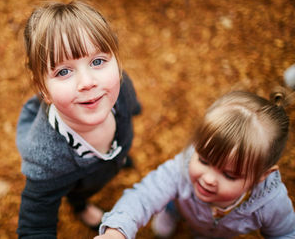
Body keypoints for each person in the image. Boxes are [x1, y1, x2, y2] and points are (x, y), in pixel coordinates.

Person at [16, 0, 141, 238]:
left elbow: (132, 105)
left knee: (117, 157)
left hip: (112, 155)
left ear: (116, 61)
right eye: (63, 71)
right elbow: (34, 227)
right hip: (81, 184)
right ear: (42, 88)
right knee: (77, 192)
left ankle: (117, 157)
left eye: (97, 61)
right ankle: (80, 207)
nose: (87, 82)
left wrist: (135, 110)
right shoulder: (48, 161)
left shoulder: (121, 89)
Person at [95, 89, 295, 239]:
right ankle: (171, 214)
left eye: (229, 175)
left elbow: (285, 232)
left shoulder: (271, 203)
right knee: (172, 203)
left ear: (262, 176)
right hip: (183, 207)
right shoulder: (180, 170)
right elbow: (143, 196)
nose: (207, 178)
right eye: (204, 160)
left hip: (221, 231)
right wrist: (117, 230)